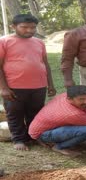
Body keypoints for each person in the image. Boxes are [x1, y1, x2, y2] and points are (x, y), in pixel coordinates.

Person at [0, 14, 56, 151]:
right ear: (13, 26)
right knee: (15, 113)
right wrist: (3, 88)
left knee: (36, 113)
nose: (30, 30)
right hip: (14, 86)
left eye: (33, 27)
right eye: (24, 27)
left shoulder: (39, 42)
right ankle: (18, 139)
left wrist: (51, 84)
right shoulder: (4, 41)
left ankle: (33, 137)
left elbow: (45, 63)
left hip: (39, 85)